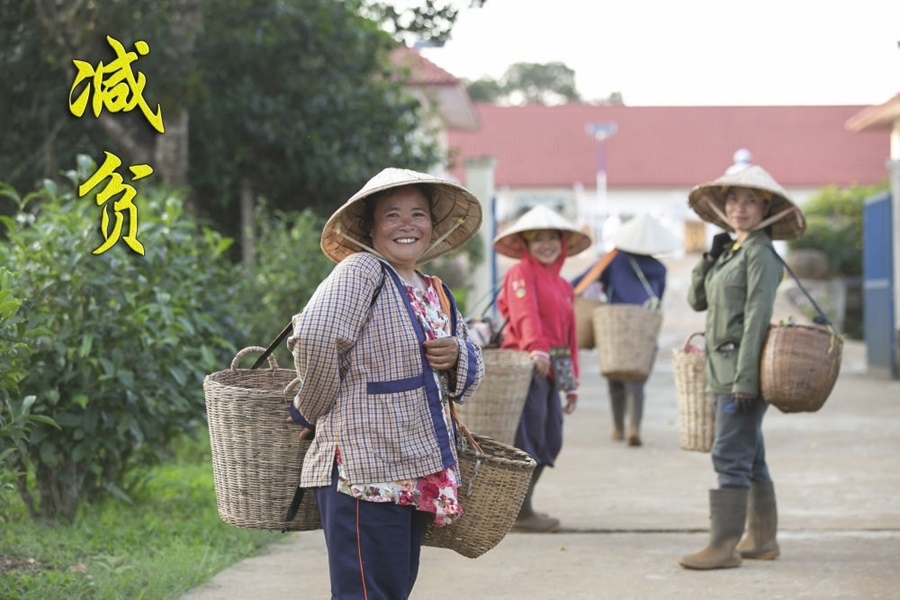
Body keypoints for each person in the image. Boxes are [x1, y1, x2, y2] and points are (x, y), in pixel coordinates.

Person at [286, 167, 486, 598]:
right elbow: (316, 336)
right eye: (392, 215)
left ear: (432, 226)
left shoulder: (436, 290)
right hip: (365, 467)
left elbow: (473, 369)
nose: (407, 224)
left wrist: (457, 356)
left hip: (415, 468)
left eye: (418, 213)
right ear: (371, 229)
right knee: (364, 591)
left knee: (390, 590)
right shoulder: (360, 271)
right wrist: (311, 406)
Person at [679, 164, 806, 570]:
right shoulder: (732, 251)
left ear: (766, 207)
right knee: (751, 457)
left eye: (751, 200)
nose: (740, 207)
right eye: (733, 199)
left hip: (739, 375)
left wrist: (746, 381)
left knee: (729, 455)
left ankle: (724, 547)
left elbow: (756, 319)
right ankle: (763, 540)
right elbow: (697, 301)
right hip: (721, 370)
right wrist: (708, 259)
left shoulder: (761, 256)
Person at [493, 204, 592, 533]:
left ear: (563, 244)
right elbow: (525, 313)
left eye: (553, 239)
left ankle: (524, 508)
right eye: (538, 240)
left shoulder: (563, 286)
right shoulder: (521, 272)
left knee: (551, 439)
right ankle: (520, 512)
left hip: (551, 372)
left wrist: (570, 382)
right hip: (527, 369)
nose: (546, 245)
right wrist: (536, 347)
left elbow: (568, 337)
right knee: (528, 439)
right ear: (525, 245)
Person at [573, 214, 675, 447]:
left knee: (614, 375)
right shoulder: (660, 268)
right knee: (636, 378)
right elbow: (658, 299)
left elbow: (580, 282)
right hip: (642, 329)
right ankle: (633, 429)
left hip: (614, 327)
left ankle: (618, 428)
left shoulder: (613, 260)